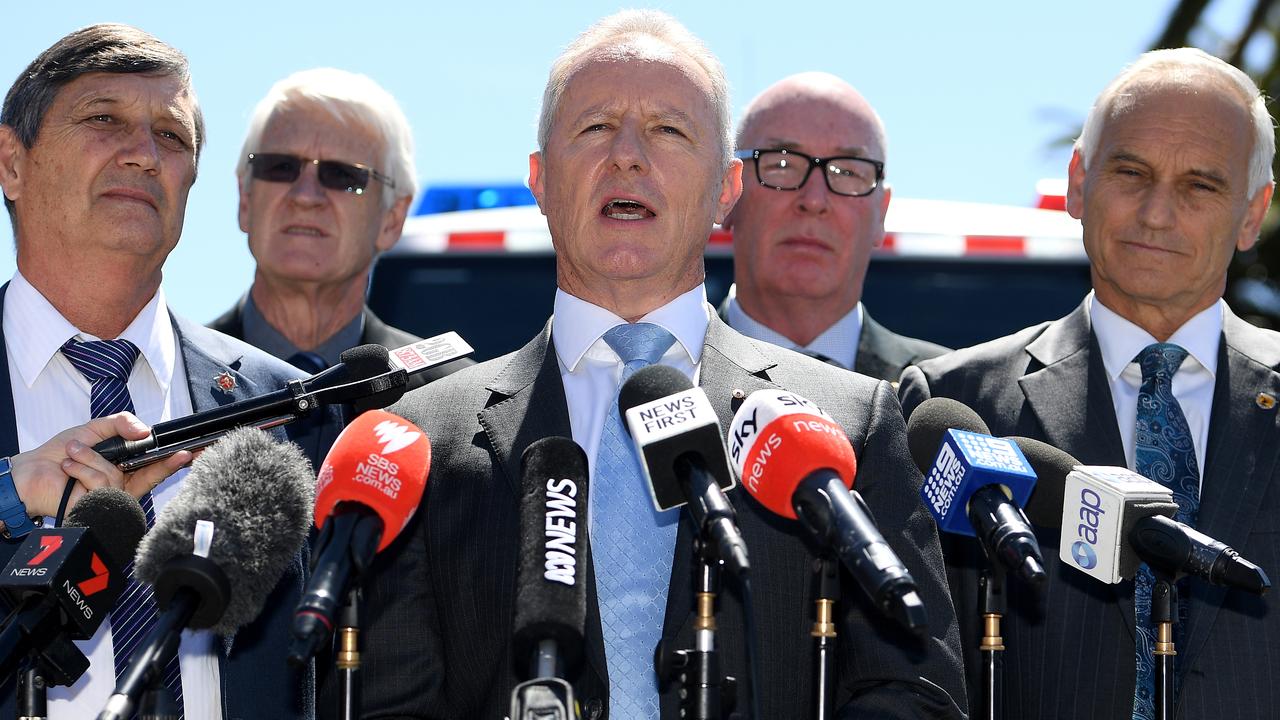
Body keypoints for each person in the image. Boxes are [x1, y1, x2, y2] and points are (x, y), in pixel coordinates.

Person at [351, 10, 966, 720]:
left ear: (726, 191)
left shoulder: (849, 424)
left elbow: (914, 692)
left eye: (670, 130)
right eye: (594, 127)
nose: (628, 156)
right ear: (540, 180)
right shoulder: (421, 438)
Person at [898, 48, 1279, 719]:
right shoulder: (955, 406)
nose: (1157, 213)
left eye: (1200, 186)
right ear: (1079, 182)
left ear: (1253, 213)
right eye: (1130, 173)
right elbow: (916, 672)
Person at [0, 24, 337, 719]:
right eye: (104, 119)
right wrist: (12, 493)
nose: (145, 155)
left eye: (173, 138)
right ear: (11, 162)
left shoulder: (286, 408)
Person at [210, 68, 470, 384]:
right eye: (281, 167)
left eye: (343, 176)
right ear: (245, 198)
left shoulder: (452, 395)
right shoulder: (168, 380)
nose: (305, 196)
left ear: (392, 218)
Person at [721, 72, 946, 381]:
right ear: (728, 191)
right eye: (782, 165)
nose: (814, 200)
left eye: (848, 172)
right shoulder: (659, 378)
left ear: (881, 212)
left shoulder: (950, 389)